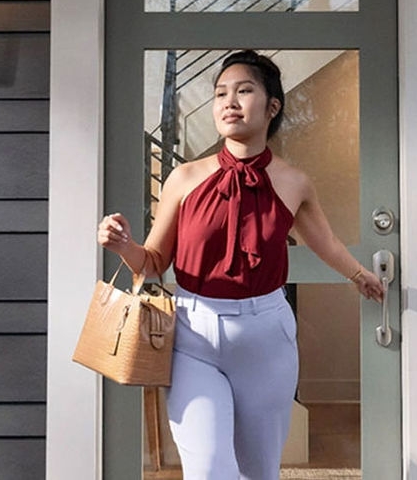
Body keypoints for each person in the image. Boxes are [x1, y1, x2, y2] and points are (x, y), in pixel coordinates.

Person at [96, 50, 386, 480]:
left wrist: (360, 275)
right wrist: (123, 246)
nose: (229, 101)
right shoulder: (185, 178)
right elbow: (154, 263)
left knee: (258, 471)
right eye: (220, 93)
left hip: (266, 337)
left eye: (244, 90)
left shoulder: (293, 182)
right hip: (192, 334)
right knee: (209, 469)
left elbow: (325, 242)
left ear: (272, 107)